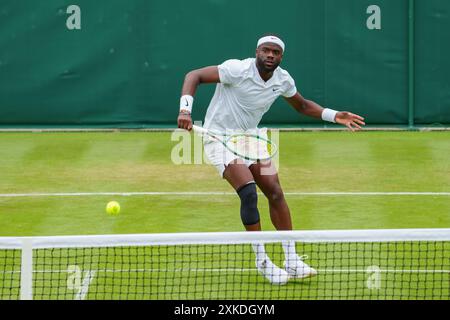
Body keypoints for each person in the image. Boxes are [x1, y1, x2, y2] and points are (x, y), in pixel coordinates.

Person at [177, 35, 365, 285]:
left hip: (250, 138)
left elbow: (302, 105)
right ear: (257, 51)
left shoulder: (282, 79)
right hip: (218, 137)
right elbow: (194, 75)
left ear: (281, 57)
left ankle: (291, 259)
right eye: (266, 50)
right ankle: (262, 260)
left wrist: (334, 116)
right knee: (249, 192)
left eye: (276, 52)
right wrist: (185, 110)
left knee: (275, 191)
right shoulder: (237, 69)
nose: (270, 55)